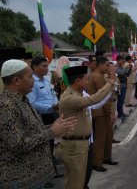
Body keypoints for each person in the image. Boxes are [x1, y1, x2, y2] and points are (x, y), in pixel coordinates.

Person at [0, 59, 76, 188]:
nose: (33, 80)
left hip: (33, 177)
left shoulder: (21, 99)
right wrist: (51, 132)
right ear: (16, 80)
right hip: (20, 179)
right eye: (30, 77)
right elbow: (18, 144)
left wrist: (52, 127)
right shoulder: (6, 106)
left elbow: (31, 131)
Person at [58, 65, 115, 189]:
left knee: (80, 181)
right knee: (75, 183)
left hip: (81, 144)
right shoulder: (70, 97)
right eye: (86, 79)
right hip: (74, 147)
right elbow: (95, 99)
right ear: (78, 81)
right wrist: (111, 82)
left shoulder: (78, 94)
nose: (88, 82)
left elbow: (95, 102)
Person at [27, 56, 61, 184]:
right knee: (43, 146)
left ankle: (50, 171)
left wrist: (56, 104)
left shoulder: (46, 81)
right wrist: (51, 106)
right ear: (35, 67)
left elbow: (52, 96)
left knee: (50, 144)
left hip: (51, 114)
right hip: (41, 116)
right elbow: (32, 103)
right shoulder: (32, 83)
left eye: (47, 66)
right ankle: (44, 178)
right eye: (44, 66)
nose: (47, 68)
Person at [87, 57, 118, 173]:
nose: (108, 67)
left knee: (107, 136)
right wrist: (111, 112)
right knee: (100, 138)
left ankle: (105, 158)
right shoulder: (98, 77)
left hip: (99, 110)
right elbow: (104, 96)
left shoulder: (96, 75)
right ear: (99, 65)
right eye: (106, 65)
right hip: (100, 111)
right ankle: (97, 162)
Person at [115, 55, 131, 121]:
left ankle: (121, 113)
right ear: (118, 60)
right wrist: (125, 69)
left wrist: (129, 69)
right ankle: (120, 114)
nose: (123, 62)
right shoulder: (116, 67)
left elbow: (127, 74)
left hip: (124, 84)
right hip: (120, 85)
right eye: (122, 60)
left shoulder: (121, 67)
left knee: (122, 100)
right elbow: (121, 73)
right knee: (120, 100)